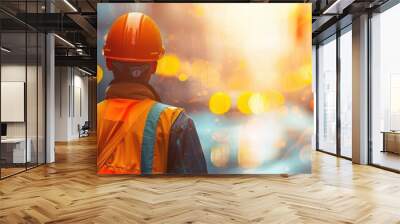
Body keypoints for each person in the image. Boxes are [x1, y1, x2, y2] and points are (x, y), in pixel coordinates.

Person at [97, 12, 208, 175]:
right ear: (154, 66)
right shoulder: (175, 123)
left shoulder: (94, 117)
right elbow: (194, 192)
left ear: (108, 62)